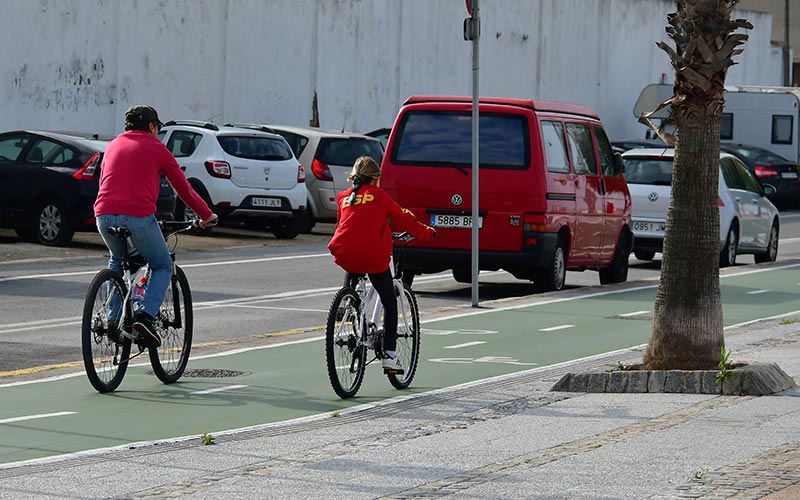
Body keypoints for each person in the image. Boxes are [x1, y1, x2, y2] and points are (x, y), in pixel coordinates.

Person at [94, 104, 218, 348]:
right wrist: (206, 214)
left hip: (103, 215)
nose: (158, 133)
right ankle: (144, 316)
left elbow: (104, 181)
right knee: (161, 264)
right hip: (138, 217)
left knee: (117, 261)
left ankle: (111, 321)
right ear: (151, 126)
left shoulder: (113, 145)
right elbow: (184, 188)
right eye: (158, 128)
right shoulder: (156, 148)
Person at [327, 156, 435, 373]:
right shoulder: (379, 196)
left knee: (353, 277)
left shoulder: (344, 197)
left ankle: (349, 302)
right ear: (375, 178)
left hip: (345, 252)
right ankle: (390, 355)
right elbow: (404, 219)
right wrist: (427, 232)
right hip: (372, 256)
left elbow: (344, 226)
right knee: (389, 301)